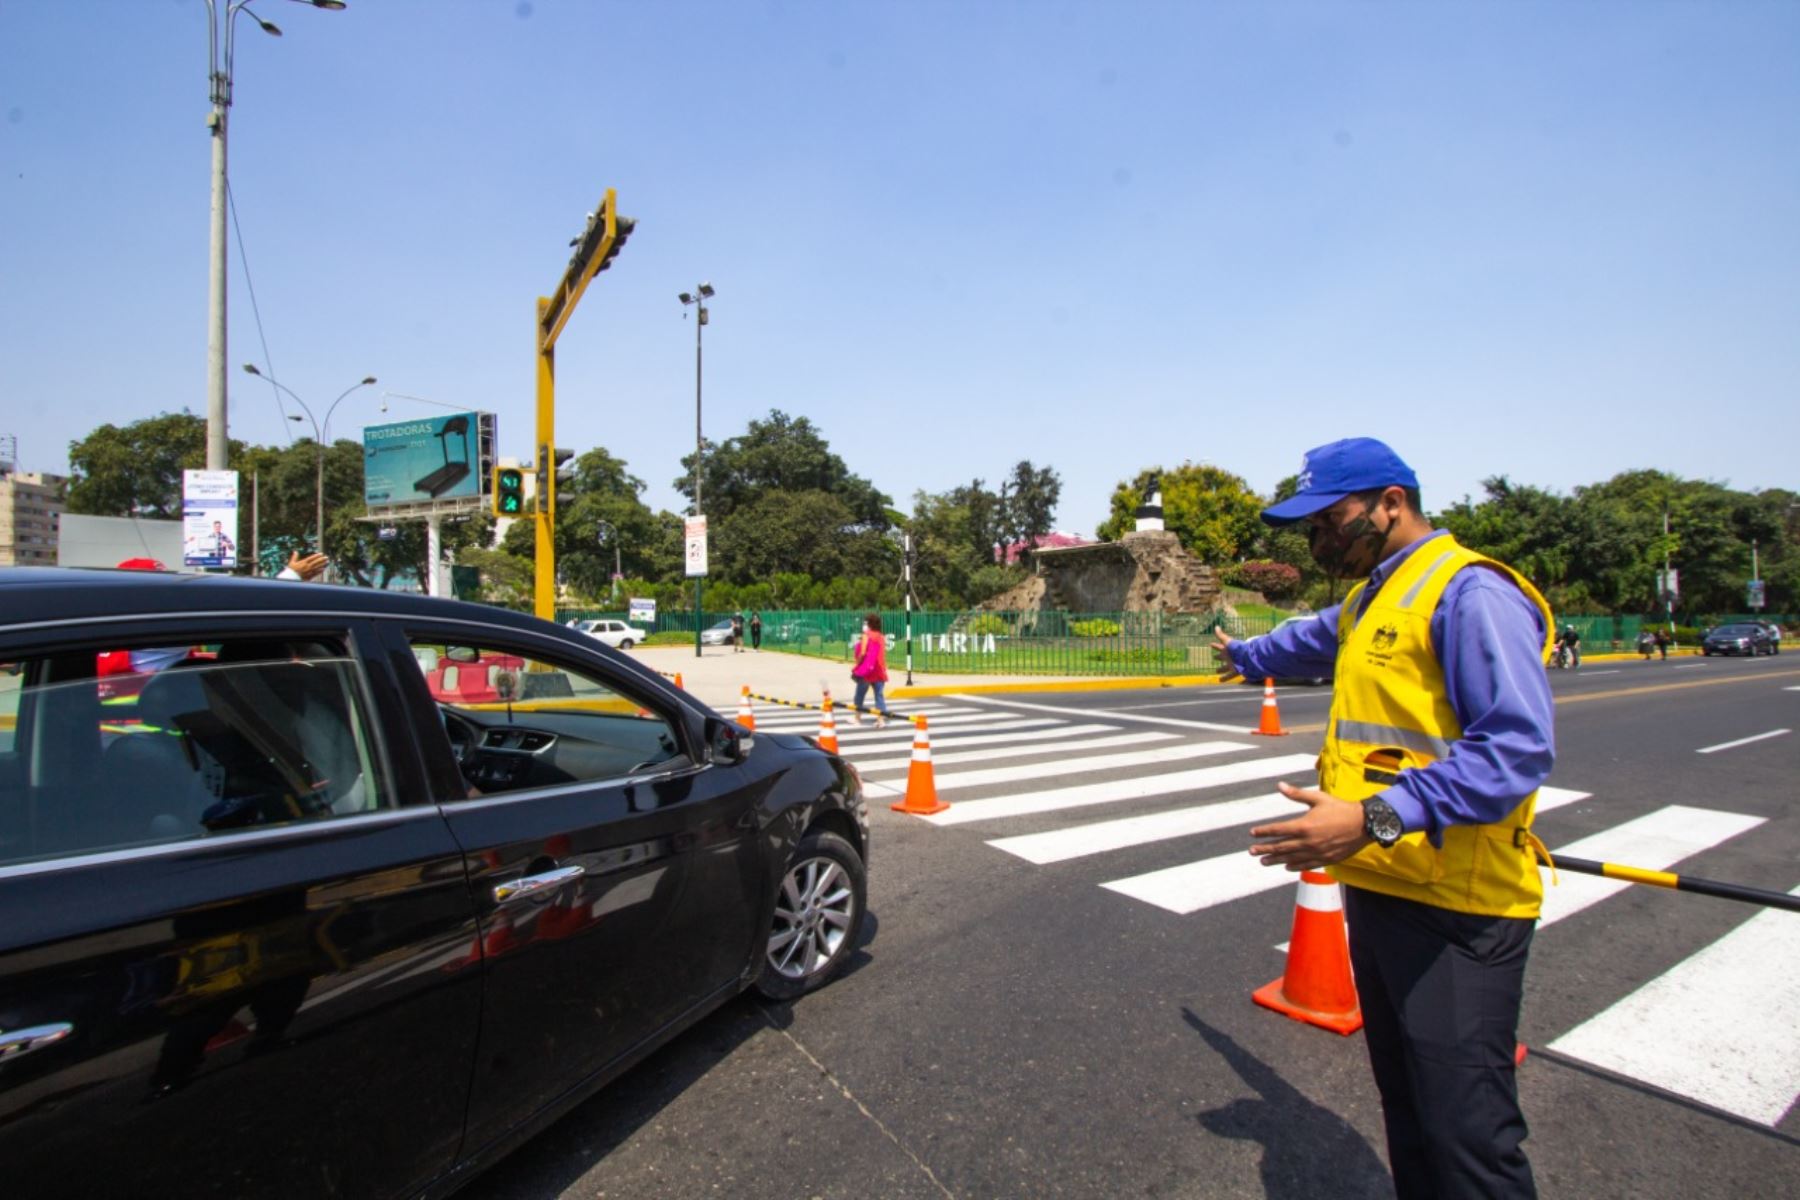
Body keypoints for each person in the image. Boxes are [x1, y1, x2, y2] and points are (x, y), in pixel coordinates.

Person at [1213, 437, 1554, 1200]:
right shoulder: (1374, 596)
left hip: (1462, 913)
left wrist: (1374, 818)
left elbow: (1515, 752)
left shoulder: (1469, 593)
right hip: (1387, 892)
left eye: (1330, 519)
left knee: (1470, 1140)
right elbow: (1312, 639)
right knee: (1410, 1115)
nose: (1318, 539)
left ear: (1390, 504)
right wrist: (1250, 653)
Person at [849, 613, 890, 728]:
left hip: (867, 671)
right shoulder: (881, 636)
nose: (864, 624)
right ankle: (880, 720)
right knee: (879, 696)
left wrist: (857, 665)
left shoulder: (867, 635)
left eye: (866, 622)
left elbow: (862, 653)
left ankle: (857, 718)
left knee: (860, 694)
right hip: (879, 670)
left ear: (869, 624)